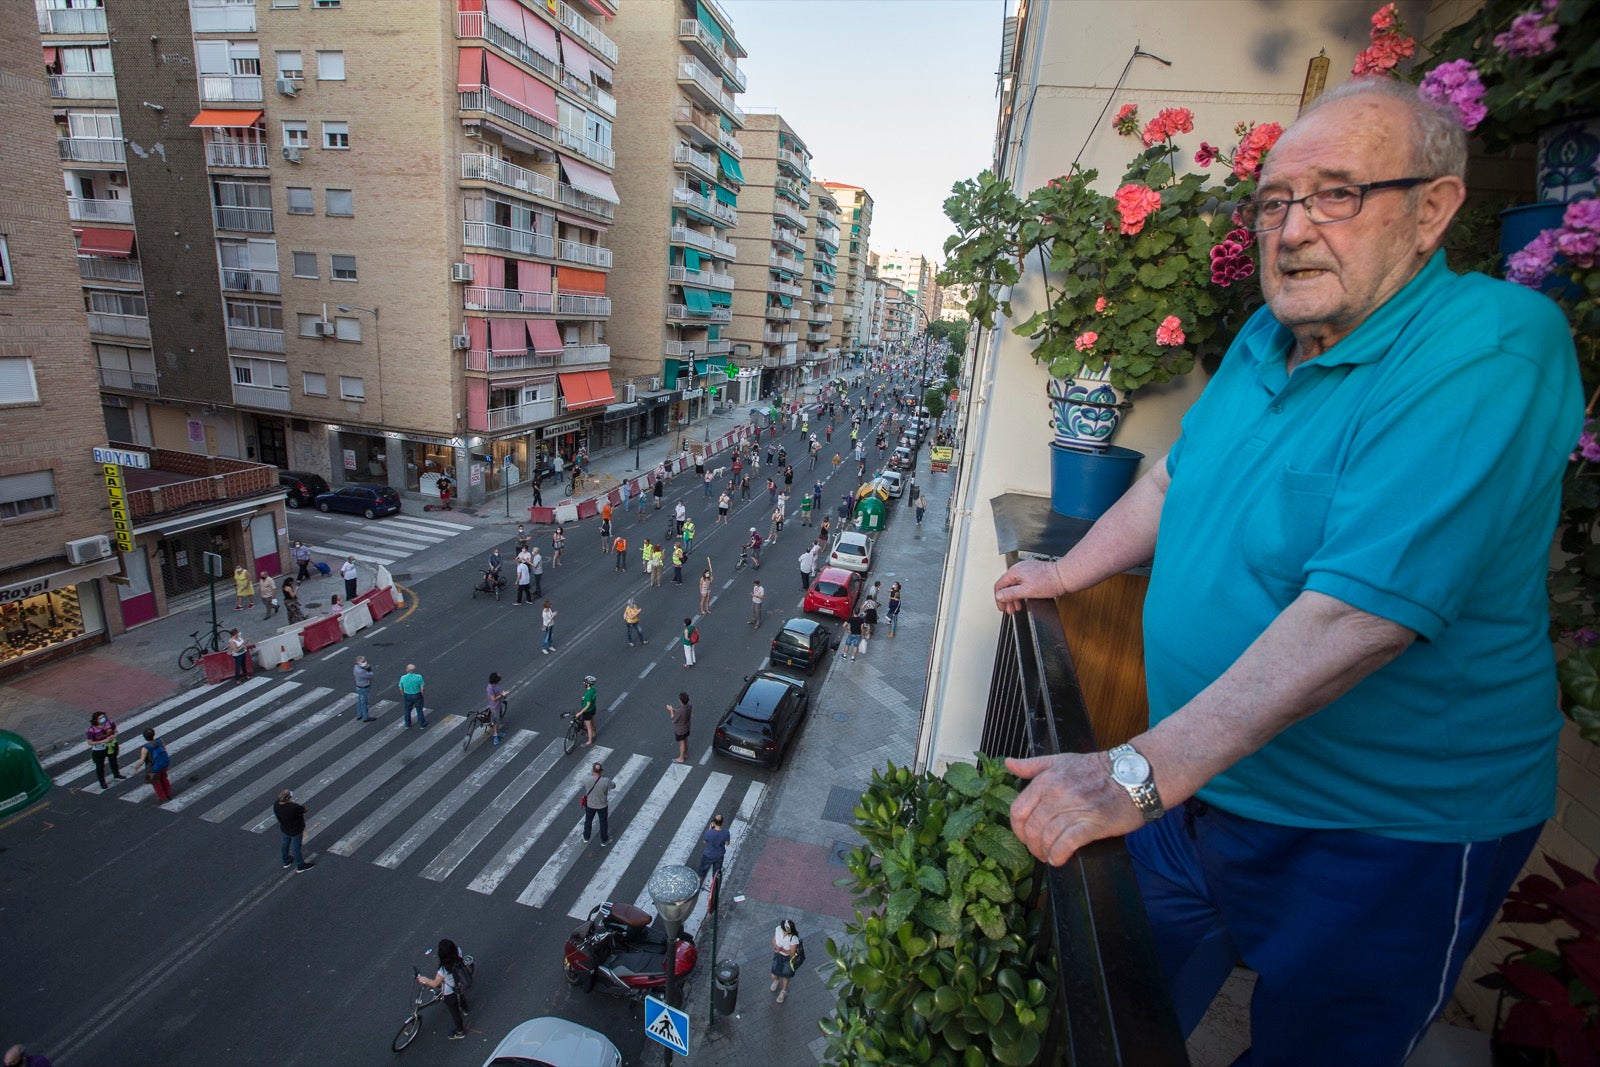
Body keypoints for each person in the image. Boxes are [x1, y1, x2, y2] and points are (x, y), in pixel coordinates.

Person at [991, 79, 1582, 1063]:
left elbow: (1359, 619)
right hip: (1207, 793)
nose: (1293, 229)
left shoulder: (1490, 347)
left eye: (1337, 193)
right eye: (1273, 201)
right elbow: (1179, 479)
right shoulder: (1271, 335)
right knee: (1098, 1014)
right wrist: (1067, 569)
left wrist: (1134, 773)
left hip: (1386, 838)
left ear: (1431, 209)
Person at [416, 938, 470, 1040]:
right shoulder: (458, 952)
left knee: (455, 1013)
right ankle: (465, 1009)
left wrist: (424, 979)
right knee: (461, 996)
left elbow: (434, 983)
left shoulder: (443, 970)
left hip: (450, 994)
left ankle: (460, 1031)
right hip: (460, 984)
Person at [274, 788, 315, 873]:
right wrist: (292, 804)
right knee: (296, 847)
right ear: (288, 798)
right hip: (296, 829)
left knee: (285, 843)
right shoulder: (293, 807)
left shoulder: (276, 804)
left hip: (285, 828)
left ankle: (286, 861)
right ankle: (300, 866)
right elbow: (304, 809)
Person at [84, 712, 123, 790]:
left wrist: (113, 736)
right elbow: (90, 742)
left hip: (111, 746)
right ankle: (102, 782)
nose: (103, 719)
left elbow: (116, 731)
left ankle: (116, 774)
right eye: (100, 718)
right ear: (95, 720)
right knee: (100, 766)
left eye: (104, 717)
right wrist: (103, 741)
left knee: (113, 761)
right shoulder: (92, 730)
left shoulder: (110, 723)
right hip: (99, 750)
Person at [581, 761, 614, 845]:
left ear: (592, 770)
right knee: (603, 822)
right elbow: (613, 786)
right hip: (602, 805)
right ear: (601, 771)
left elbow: (583, 782)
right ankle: (604, 840)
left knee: (588, 821)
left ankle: (586, 837)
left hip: (590, 804)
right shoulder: (605, 781)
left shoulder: (587, 779)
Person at [771, 919, 801, 1004]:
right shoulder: (778, 929)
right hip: (777, 955)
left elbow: (792, 953)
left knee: (785, 976)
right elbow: (773, 939)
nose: (785, 932)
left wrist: (782, 949)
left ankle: (783, 991)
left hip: (787, 959)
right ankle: (776, 980)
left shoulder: (793, 938)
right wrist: (776, 947)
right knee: (773, 974)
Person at [697, 813, 730, 883]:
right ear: (722, 822)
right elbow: (727, 843)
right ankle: (714, 887)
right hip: (719, 855)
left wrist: (710, 829)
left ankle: (698, 884)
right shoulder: (726, 833)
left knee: (702, 870)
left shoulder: (708, 833)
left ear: (714, 822)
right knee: (716, 873)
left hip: (708, 855)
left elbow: (705, 842)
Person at [477, 674, 505, 747]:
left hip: (499, 705)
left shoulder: (496, 685)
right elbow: (493, 699)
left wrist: (502, 694)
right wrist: (502, 695)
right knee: (496, 722)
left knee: (498, 719)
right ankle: (495, 735)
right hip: (494, 707)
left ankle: (496, 731)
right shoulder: (490, 688)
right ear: (495, 680)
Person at [399, 664, 427, 729]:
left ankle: (407, 724)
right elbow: (422, 688)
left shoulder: (403, 677)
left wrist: (403, 694)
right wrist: (422, 694)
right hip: (417, 694)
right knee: (419, 710)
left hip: (407, 695)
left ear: (407, 670)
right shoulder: (419, 677)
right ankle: (422, 724)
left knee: (407, 710)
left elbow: (400, 688)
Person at [668, 691, 692, 763]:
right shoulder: (689, 706)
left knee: (682, 743)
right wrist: (674, 709)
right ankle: (685, 754)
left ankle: (681, 758)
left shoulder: (680, 711)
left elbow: (673, 720)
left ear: (680, 700)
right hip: (687, 726)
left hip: (680, 729)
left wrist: (671, 711)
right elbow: (681, 711)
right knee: (686, 740)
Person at [577, 674, 597, 746]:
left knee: (588, 726)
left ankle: (589, 741)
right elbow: (592, 699)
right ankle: (594, 733)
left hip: (587, 711)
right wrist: (584, 698)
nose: (583, 683)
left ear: (588, 684)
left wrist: (580, 713)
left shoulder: (588, 693)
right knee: (592, 721)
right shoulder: (593, 690)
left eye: (585, 682)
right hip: (593, 708)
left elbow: (588, 705)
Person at [353, 655, 375, 722]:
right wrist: (370, 668)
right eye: (362, 661)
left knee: (360, 701)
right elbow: (370, 675)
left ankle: (359, 715)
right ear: (358, 662)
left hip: (358, 687)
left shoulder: (355, 667)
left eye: (364, 660)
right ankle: (365, 717)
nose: (364, 662)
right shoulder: (361, 671)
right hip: (364, 688)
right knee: (364, 703)